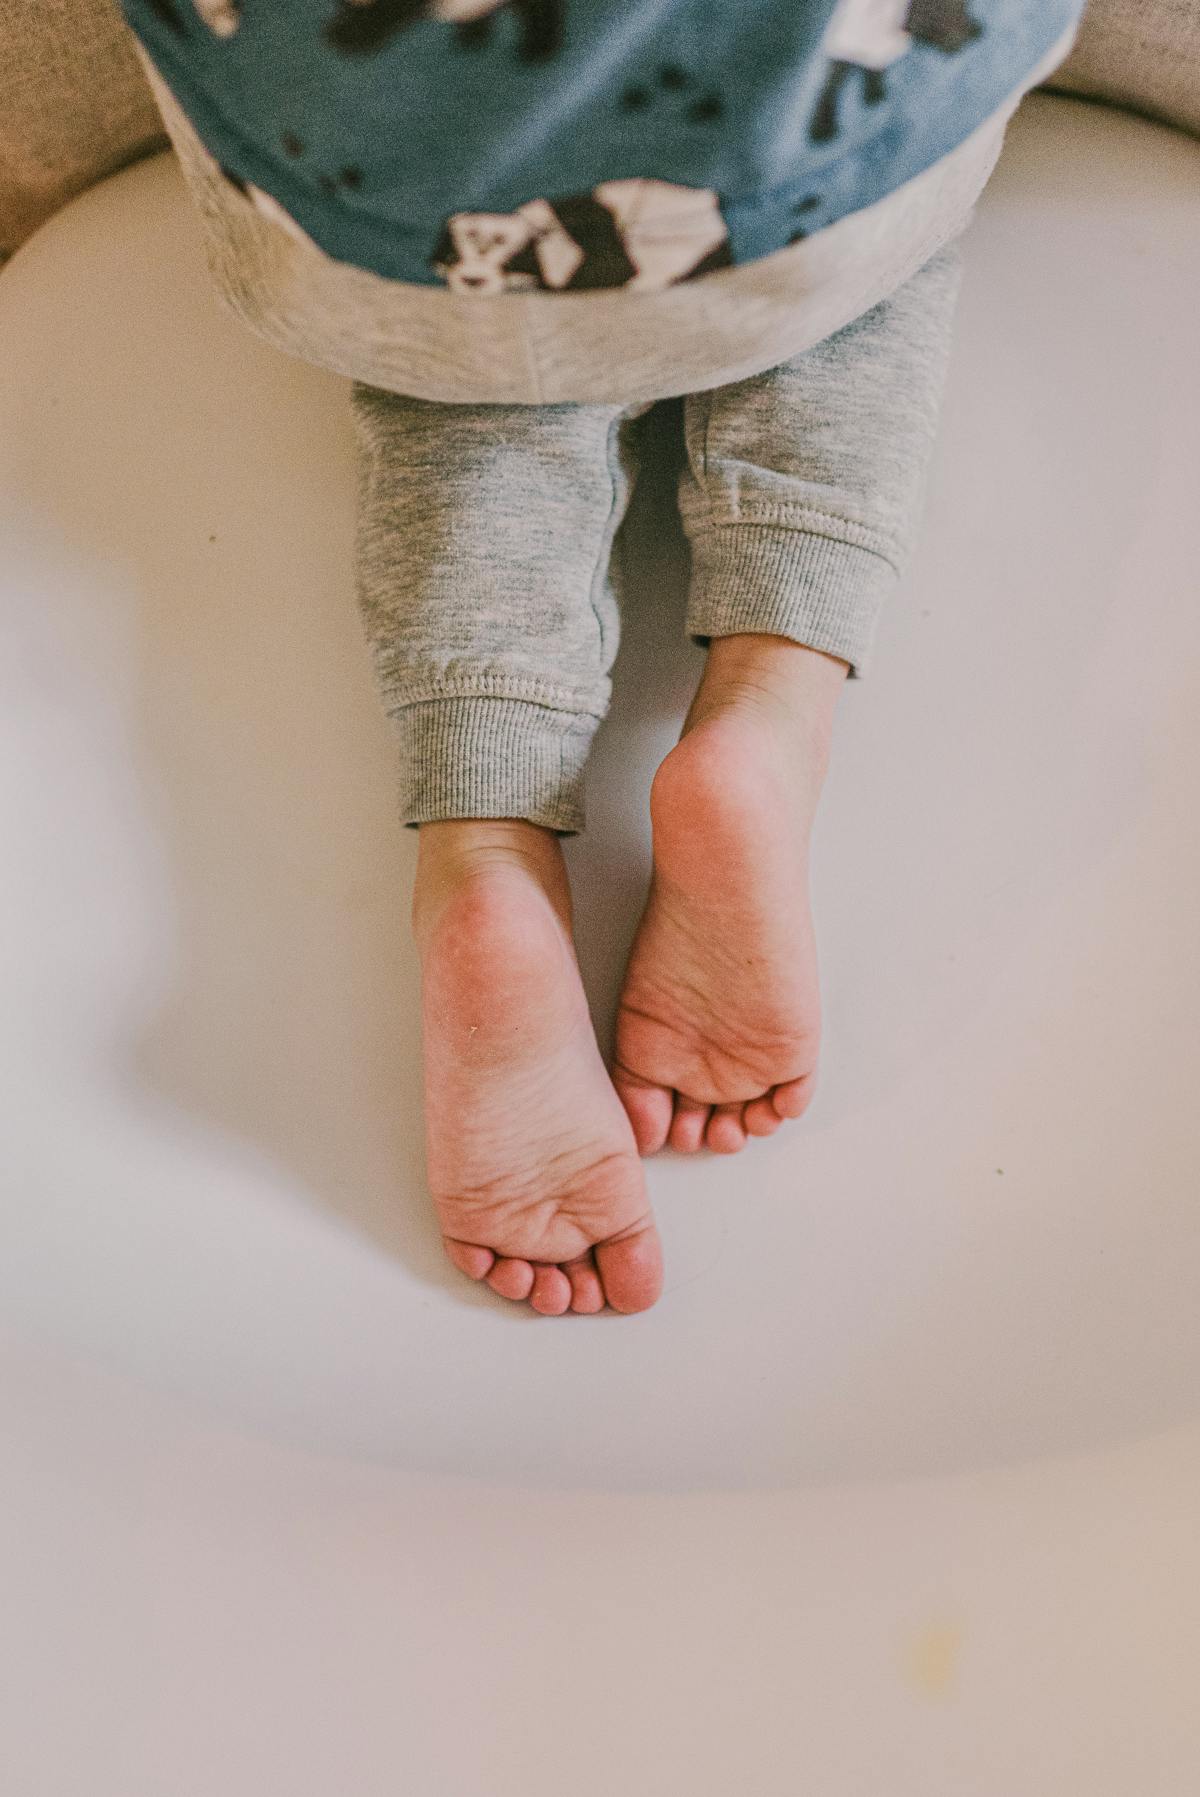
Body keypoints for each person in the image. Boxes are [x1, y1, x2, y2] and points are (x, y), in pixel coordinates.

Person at [0, 0, 1164, 1316]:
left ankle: (486, 848)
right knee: (852, 296)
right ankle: (767, 710)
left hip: (403, 185)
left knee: (469, 401)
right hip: (799, 139)